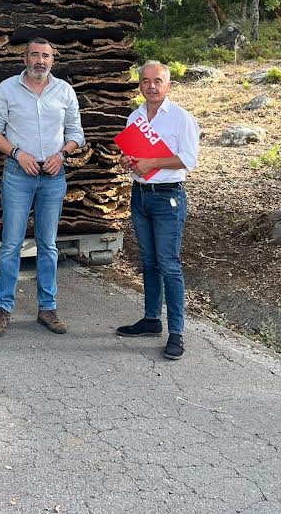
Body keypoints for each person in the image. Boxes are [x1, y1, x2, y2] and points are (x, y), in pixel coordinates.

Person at [0, 38, 83, 337]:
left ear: (53, 60)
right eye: (35, 55)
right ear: (25, 58)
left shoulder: (64, 91)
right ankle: (3, 309)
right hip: (18, 173)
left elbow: (77, 133)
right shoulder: (7, 89)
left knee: (48, 245)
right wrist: (17, 153)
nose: (41, 60)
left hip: (53, 175)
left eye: (46, 56)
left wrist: (62, 154)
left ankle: (48, 308)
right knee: (11, 244)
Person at [116, 61, 200, 360]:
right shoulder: (135, 117)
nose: (151, 86)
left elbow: (189, 158)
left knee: (169, 264)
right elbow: (132, 155)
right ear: (139, 84)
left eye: (158, 81)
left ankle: (176, 333)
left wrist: (153, 163)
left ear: (168, 85)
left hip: (168, 199)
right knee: (149, 262)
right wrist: (128, 162)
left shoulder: (180, 118)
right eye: (146, 81)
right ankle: (152, 319)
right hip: (141, 195)